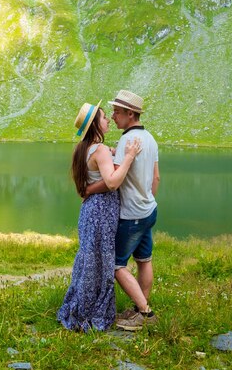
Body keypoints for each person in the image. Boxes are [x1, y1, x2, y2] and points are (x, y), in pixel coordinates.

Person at [57, 101, 142, 332]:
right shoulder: (101, 149)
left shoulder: (82, 149)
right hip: (103, 210)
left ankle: (80, 305)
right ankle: (96, 311)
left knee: (88, 259)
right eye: (104, 118)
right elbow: (113, 182)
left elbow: (91, 178)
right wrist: (129, 157)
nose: (108, 121)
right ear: (95, 125)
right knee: (103, 260)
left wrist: (113, 154)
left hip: (89, 211)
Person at [86, 90, 160, 331]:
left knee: (116, 265)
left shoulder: (128, 142)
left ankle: (145, 314)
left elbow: (113, 181)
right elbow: (156, 178)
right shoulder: (150, 138)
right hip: (149, 210)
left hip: (131, 215)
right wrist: (145, 199)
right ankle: (140, 306)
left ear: (130, 114)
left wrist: (87, 190)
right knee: (143, 259)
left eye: (117, 112)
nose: (114, 117)